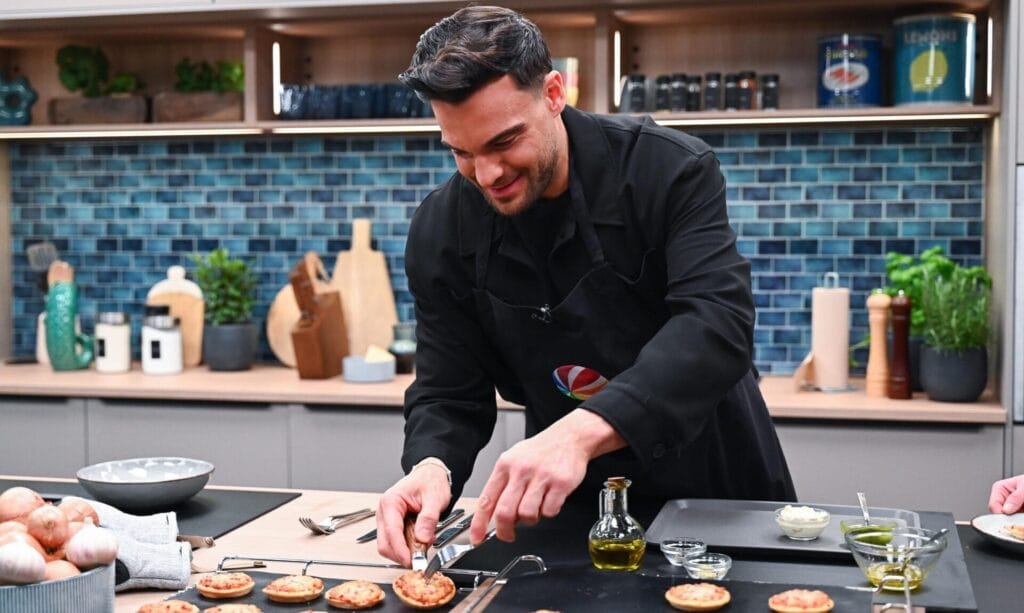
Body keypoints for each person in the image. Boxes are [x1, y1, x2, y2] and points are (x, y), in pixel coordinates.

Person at [376, 5, 796, 567]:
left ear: (553, 93)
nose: (487, 175)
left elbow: (716, 326)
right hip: (566, 508)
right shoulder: (442, 230)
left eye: (505, 142)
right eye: (462, 152)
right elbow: (449, 390)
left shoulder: (668, 170)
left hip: (717, 486)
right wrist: (432, 465)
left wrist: (578, 434)